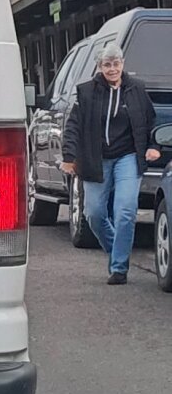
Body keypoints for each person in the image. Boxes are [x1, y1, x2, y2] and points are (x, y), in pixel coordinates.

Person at [62, 43, 160, 285]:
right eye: (107, 64)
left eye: (116, 64)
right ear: (99, 67)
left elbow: (150, 120)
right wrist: (68, 156)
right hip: (96, 158)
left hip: (128, 156)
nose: (112, 68)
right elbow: (73, 126)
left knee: (125, 210)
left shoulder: (136, 89)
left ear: (123, 64)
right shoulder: (86, 92)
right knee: (93, 213)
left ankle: (119, 267)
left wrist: (153, 146)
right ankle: (116, 249)